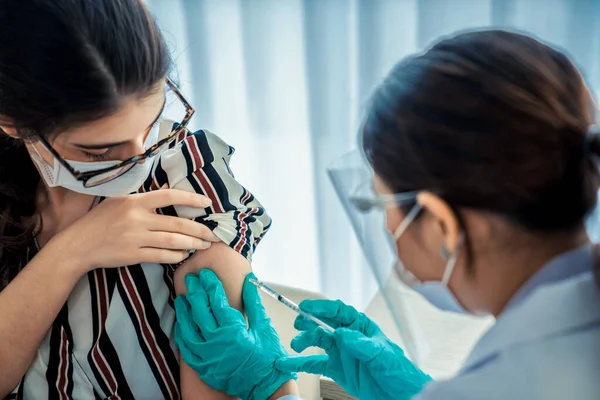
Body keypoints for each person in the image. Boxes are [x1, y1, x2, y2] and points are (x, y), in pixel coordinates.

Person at [174, 30, 600, 399]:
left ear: (442, 224)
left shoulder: (519, 378)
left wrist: (269, 387)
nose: (388, 227)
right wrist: (414, 390)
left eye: (380, 204)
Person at [0, 1, 297, 399]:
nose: (143, 157)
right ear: (16, 126)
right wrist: (71, 252)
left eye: (152, 122)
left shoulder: (189, 174)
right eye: (100, 152)